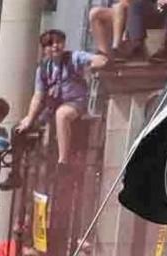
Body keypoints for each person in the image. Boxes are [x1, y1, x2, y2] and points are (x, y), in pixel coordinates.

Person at [17, 29, 104, 165]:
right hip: (52, 106)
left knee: (62, 114)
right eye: (50, 44)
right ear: (44, 49)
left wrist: (94, 63)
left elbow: (95, 59)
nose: (55, 46)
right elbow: (38, 95)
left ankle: (62, 162)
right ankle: (17, 171)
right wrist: (29, 117)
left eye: (58, 42)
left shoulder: (73, 58)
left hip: (76, 102)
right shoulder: (43, 69)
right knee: (18, 128)